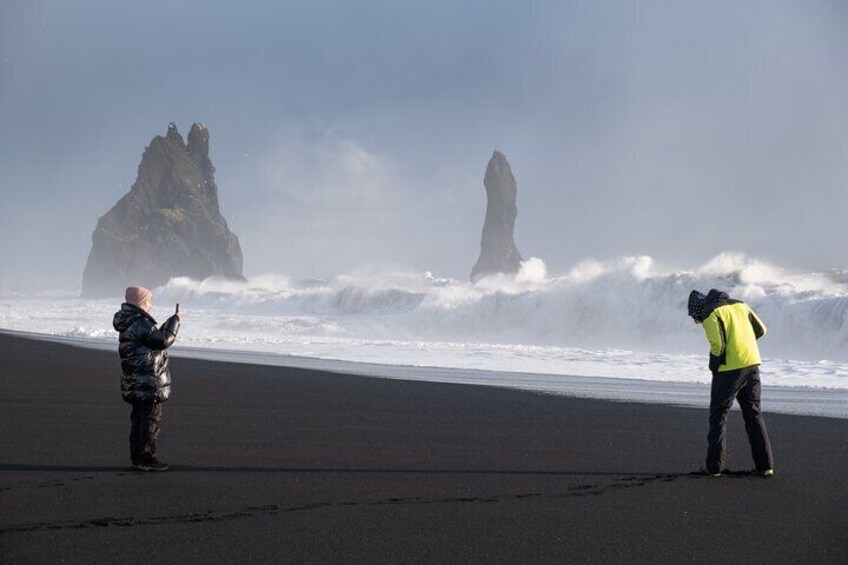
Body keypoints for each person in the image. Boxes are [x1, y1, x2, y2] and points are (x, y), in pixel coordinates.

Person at [688, 288, 774, 478]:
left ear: (698, 308)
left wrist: (714, 365)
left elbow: (718, 346)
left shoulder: (710, 313)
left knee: (718, 415)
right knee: (754, 415)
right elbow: (761, 330)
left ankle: (714, 468)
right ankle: (765, 466)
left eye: (695, 317)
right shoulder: (741, 304)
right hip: (752, 364)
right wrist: (743, 344)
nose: (697, 320)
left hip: (729, 371)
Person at [113, 286, 180, 471]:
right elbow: (162, 341)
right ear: (141, 302)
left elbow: (154, 338)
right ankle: (146, 458)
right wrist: (175, 321)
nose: (151, 305)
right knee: (150, 421)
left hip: (137, 382)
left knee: (139, 420)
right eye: (149, 301)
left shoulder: (130, 321)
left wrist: (168, 323)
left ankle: (137, 457)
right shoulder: (140, 323)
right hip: (148, 383)